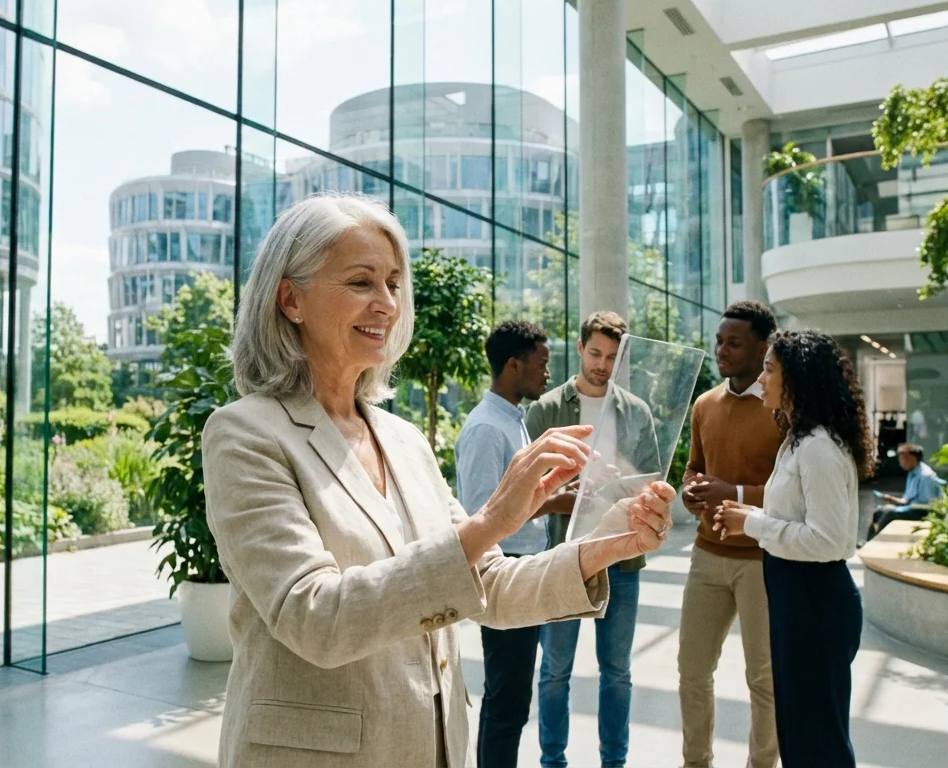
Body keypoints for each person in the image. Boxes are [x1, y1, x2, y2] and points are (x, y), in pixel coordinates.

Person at [202, 192, 678, 768]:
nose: (386, 304)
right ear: (290, 299)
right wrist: (489, 522)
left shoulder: (404, 439)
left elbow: (489, 586)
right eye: (361, 282)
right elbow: (315, 616)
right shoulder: (244, 434)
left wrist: (607, 544)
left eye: (394, 284)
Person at [713, 329, 873, 768]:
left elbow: (829, 541)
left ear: (797, 378)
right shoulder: (797, 440)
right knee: (801, 738)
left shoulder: (818, 446)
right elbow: (795, 515)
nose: (761, 379)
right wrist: (746, 515)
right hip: (794, 599)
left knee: (818, 743)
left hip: (815, 602)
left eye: (769, 369)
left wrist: (752, 522)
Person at [526, 311, 659, 768]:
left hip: (620, 559)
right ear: (580, 349)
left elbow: (652, 479)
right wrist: (574, 491)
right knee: (554, 672)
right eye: (595, 353)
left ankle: (613, 763)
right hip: (564, 557)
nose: (601, 365)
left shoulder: (636, 412)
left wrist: (631, 488)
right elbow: (532, 490)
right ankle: (552, 762)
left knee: (617, 673)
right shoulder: (545, 409)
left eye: (611, 357)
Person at [677, 300, 784, 768]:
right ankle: (695, 762)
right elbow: (694, 471)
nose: (722, 349)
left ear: (763, 349)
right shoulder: (704, 405)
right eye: (719, 340)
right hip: (706, 556)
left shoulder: (782, 409)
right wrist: (691, 494)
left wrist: (734, 491)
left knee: (764, 678)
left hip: (763, 561)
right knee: (692, 671)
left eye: (734, 342)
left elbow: (791, 495)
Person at [454, 319, 557, 768]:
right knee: (505, 699)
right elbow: (482, 515)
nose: (547, 374)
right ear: (513, 365)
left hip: (524, 565)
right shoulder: (486, 430)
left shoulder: (513, 420)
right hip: (504, 570)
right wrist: (556, 502)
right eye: (541, 364)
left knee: (513, 697)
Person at [869, 443, 943, 536]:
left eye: (903, 459)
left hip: (921, 511)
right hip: (911, 507)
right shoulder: (912, 472)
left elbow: (927, 503)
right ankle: (870, 538)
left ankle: (876, 538)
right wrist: (894, 500)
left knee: (889, 513)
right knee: (879, 511)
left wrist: (904, 505)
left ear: (913, 458)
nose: (901, 462)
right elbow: (908, 498)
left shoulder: (925, 476)